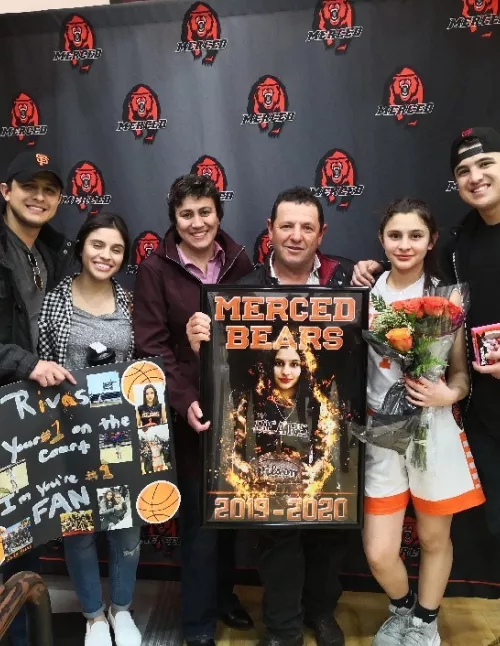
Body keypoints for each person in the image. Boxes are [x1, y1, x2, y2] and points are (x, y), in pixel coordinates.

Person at [186, 186, 355, 646]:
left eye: (306, 227)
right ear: (270, 230)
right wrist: (202, 344)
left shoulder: (347, 284)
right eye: (287, 226)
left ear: (321, 233)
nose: (296, 236)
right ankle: (283, 630)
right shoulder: (239, 292)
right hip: (267, 434)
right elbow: (225, 373)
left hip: (328, 430)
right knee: (278, 534)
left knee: (329, 531)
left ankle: (321, 612)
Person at [351, 127, 500, 547]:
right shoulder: (459, 244)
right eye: (464, 170)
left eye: (485, 163)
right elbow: (410, 271)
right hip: (483, 410)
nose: (475, 177)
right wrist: (371, 270)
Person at [133, 174, 254, 645]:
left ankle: (224, 597)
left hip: (239, 410)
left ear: (219, 214)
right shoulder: (154, 269)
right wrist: (185, 400)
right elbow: (151, 347)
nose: (197, 222)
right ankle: (197, 624)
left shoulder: (241, 263)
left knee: (233, 513)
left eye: (205, 212)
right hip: (187, 414)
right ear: (174, 220)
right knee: (201, 522)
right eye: (186, 214)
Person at [361, 197, 485, 646]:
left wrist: (447, 393)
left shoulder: (447, 296)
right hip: (381, 432)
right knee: (379, 552)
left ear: (431, 240)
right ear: (381, 240)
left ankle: (425, 623)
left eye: (415, 235)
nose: (404, 244)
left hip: (434, 430)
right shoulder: (366, 293)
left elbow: (461, 376)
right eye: (395, 235)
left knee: (434, 538)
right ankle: (402, 607)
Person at [37, 212, 141, 646]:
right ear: (81, 247)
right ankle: (93, 616)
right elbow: (40, 368)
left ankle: (122, 609)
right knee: (78, 529)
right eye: (98, 245)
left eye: (116, 249)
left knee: (124, 527)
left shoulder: (129, 302)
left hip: (117, 433)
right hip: (69, 434)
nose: (106, 255)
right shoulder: (53, 301)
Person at [0, 150, 76, 646]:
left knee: (23, 536)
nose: (40, 197)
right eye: (29, 186)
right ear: (6, 191)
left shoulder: (54, 252)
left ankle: (24, 635)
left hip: (30, 418)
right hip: (5, 404)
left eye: (50, 190)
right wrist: (25, 363)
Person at [232, 343, 339, 488]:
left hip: (301, 490)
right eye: (279, 363)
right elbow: (237, 448)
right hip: (262, 486)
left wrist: (315, 470)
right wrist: (243, 468)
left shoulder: (316, 398)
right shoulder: (256, 393)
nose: (286, 372)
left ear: (303, 366)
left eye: (294, 364)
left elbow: (324, 451)